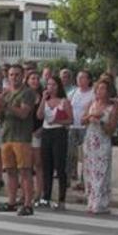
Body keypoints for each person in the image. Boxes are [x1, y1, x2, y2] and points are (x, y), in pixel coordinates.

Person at [0, 64, 36, 216]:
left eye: (17, 74)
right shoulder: (6, 93)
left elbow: (24, 113)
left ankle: (27, 203)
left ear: (23, 75)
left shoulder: (27, 93)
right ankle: (11, 201)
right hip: (7, 135)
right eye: (11, 75)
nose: (14, 77)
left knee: (25, 171)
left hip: (22, 137)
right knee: (10, 171)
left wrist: (6, 106)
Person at [82, 79, 118, 214]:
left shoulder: (113, 107)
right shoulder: (91, 103)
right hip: (90, 141)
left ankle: (100, 203)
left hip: (102, 141)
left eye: (103, 88)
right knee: (90, 171)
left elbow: (111, 129)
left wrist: (101, 120)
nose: (99, 91)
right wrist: (91, 115)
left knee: (101, 172)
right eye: (98, 88)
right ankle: (91, 201)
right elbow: (82, 120)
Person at [36, 75, 73, 210]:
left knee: (59, 165)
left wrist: (57, 121)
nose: (51, 87)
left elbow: (70, 119)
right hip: (46, 132)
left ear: (58, 87)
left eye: (54, 85)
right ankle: (46, 196)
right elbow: (39, 115)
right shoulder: (45, 100)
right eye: (49, 85)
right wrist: (42, 100)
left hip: (59, 132)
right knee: (47, 166)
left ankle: (62, 199)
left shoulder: (64, 101)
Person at [67, 70, 94, 190]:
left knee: (85, 156)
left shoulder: (93, 94)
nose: (80, 80)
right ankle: (68, 178)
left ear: (88, 80)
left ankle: (84, 180)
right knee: (70, 154)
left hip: (86, 128)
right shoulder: (73, 92)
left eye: (83, 77)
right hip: (73, 126)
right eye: (78, 77)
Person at [25, 70, 44, 205]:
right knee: (26, 166)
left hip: (38, 132)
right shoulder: (24, 95)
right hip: (25, 133)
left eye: (37, 78)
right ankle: (27, 193)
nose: (35, 81)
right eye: (32, 78)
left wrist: (41, 130)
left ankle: (39, 192)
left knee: (38, 164)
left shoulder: (44, 96)